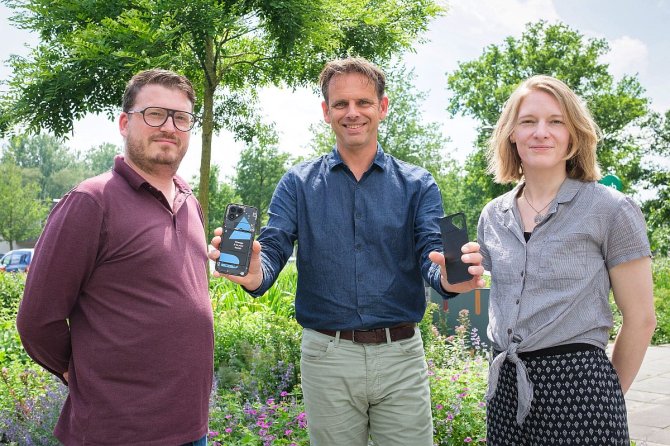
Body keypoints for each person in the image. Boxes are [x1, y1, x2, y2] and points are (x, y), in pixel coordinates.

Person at [209, 57, 485, 446]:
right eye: (340, 104)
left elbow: (431, 253)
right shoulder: (297, 184)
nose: (352, 113)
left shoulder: (419, 184)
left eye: (363, 102)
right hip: (327, 355)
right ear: (326, 112)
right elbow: (271, 248)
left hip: (401, 357)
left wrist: (449, 276)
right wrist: (254, 272)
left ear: (382, 107)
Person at [17, 69, 213, 446]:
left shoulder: (190, 202)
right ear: (125, 122)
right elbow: (37, 320)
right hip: (118, 432)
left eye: (181, 118)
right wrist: (72, 369)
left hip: (191, 429)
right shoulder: (91, 202)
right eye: (155, 113)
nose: (169, 127)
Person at [479, 74, 656, 445]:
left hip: (582, 392)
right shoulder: (493, 215)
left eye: (555, 121)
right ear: (511, 133)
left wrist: (604, 395)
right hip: (506, 391)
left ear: (573, 134)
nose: (540, 132)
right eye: (528, 121)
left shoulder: (610, 209)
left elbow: (641, 319)